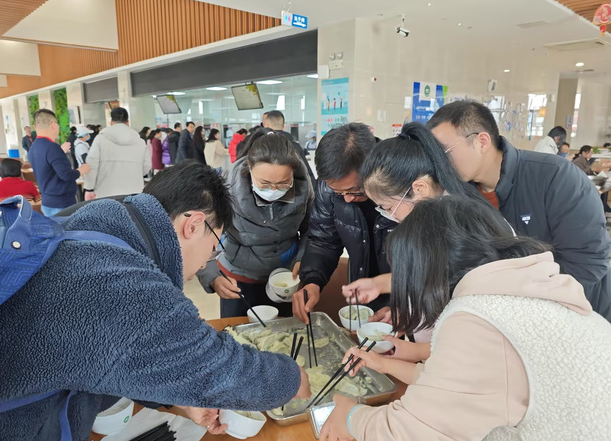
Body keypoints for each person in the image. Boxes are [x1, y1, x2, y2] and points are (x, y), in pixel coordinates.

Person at [0, 161, 311, 441]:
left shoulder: (92, 224)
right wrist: (291, 378)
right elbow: (217, 368)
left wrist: (179, 395)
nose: (205, 264)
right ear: (194, 224)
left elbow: (106, 351)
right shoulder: (122, 285)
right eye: (213, 249)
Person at [319, 196, 611, 441]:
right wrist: (384, 365)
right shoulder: (533, 293)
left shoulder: (479, 319)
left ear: (425, 271)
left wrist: (350, 415)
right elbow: (464, 389)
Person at [429, 100, 611, 321]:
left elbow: (587, 264)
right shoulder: (462, 194)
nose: (440, 163)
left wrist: (522, 304)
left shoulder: (555, 177)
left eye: (445, 152)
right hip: (510, 318)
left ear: (481, 141)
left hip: (579, 315)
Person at [342, 122, 494, 349]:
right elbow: (431, 280)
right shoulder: (434, 218)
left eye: (388, 207)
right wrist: (402, 308)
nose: (389, 215)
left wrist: (412, 348)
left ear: (419, 188)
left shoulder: (460, 228)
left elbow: (464, 317)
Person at [197, 129, 314, 318]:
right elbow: (204, 232)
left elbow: (311, 228)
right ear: (249, 169)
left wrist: (302, 258)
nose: (274, 190)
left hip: (285, 274)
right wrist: (212, 276)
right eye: (264, 183)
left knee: (284, 330)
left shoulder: (303, 186)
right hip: (238, 276)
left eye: (283, 183)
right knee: (238, 330)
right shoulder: (226, 188)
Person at [292, 123, 395, 324]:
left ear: (374, 169)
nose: (347, 198)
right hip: (363, 288)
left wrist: (407, 304)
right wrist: (313, 281)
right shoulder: (329, 187)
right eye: (339, 193)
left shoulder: (401, 185)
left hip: (408, 294)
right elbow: (323, 240)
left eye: (354, 191)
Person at [28, 109, 90, 216]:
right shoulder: (52, 148)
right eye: (57, 124)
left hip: (47, 202)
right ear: (53, 124)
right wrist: (81, 170)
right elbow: (66, 175)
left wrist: (59, 153)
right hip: (61, 203)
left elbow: (47, 168)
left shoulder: (34, 147)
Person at [83, 107, 151, 200]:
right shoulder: (140, 142)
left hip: (105, 192)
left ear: (111, 122)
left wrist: (89, 188)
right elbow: (147, 166)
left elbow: (92, 164)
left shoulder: (100, 139)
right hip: (133, 191)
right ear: (128, 122)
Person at [263, 110, 317, 190]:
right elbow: (308, 175)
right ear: (283, 126)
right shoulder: (295, 147)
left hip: (266, 194)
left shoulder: (261, 147)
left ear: (266, 126)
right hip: (294, 193)